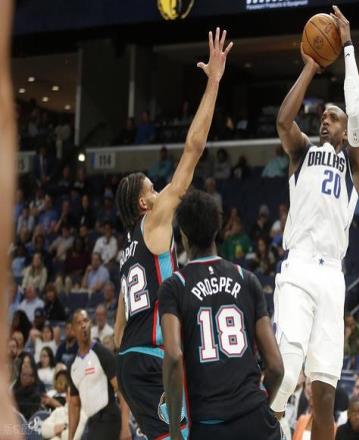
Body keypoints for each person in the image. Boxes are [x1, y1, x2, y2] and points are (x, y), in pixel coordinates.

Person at [114, 28, 233, 440]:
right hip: (151, 359)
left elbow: (119, 321)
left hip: (131, 361)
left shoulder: (128, 247)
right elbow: (193, 149)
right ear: (144, 203)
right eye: (153, 188)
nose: (160, 191)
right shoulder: (155, 220)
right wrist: (214, 82)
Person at [270, 8, 359, 438]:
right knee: (286, 372)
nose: (325, 119)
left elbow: (357, 114)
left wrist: (347, 47)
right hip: (300, 266)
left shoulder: (354, 165)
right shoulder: (303, 151)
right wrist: (311, 65)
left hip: (332, 278)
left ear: (345, 132)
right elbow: (282, 120)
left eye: (333, 117)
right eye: (323, 116)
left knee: (325, 395)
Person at [158, 189, 283, 440]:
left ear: (183, 236)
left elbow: (173, 356)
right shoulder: (247, 279)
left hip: (209, 425)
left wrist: (174, 430)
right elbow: (276, 368)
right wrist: (258, 406)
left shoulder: (174, 287)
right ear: (217, 229)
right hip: (256, 419)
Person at [68, 309, 127, 440]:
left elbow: (122, 391)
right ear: (72, 330)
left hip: (109, 418)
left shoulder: (103, 354)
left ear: (90, 324)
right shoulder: (72, 365)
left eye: (85, 321)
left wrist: (125, 427)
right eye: (79, 323)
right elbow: (74, 405)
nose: (83, 325)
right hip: (92, 422)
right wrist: (70, 438)